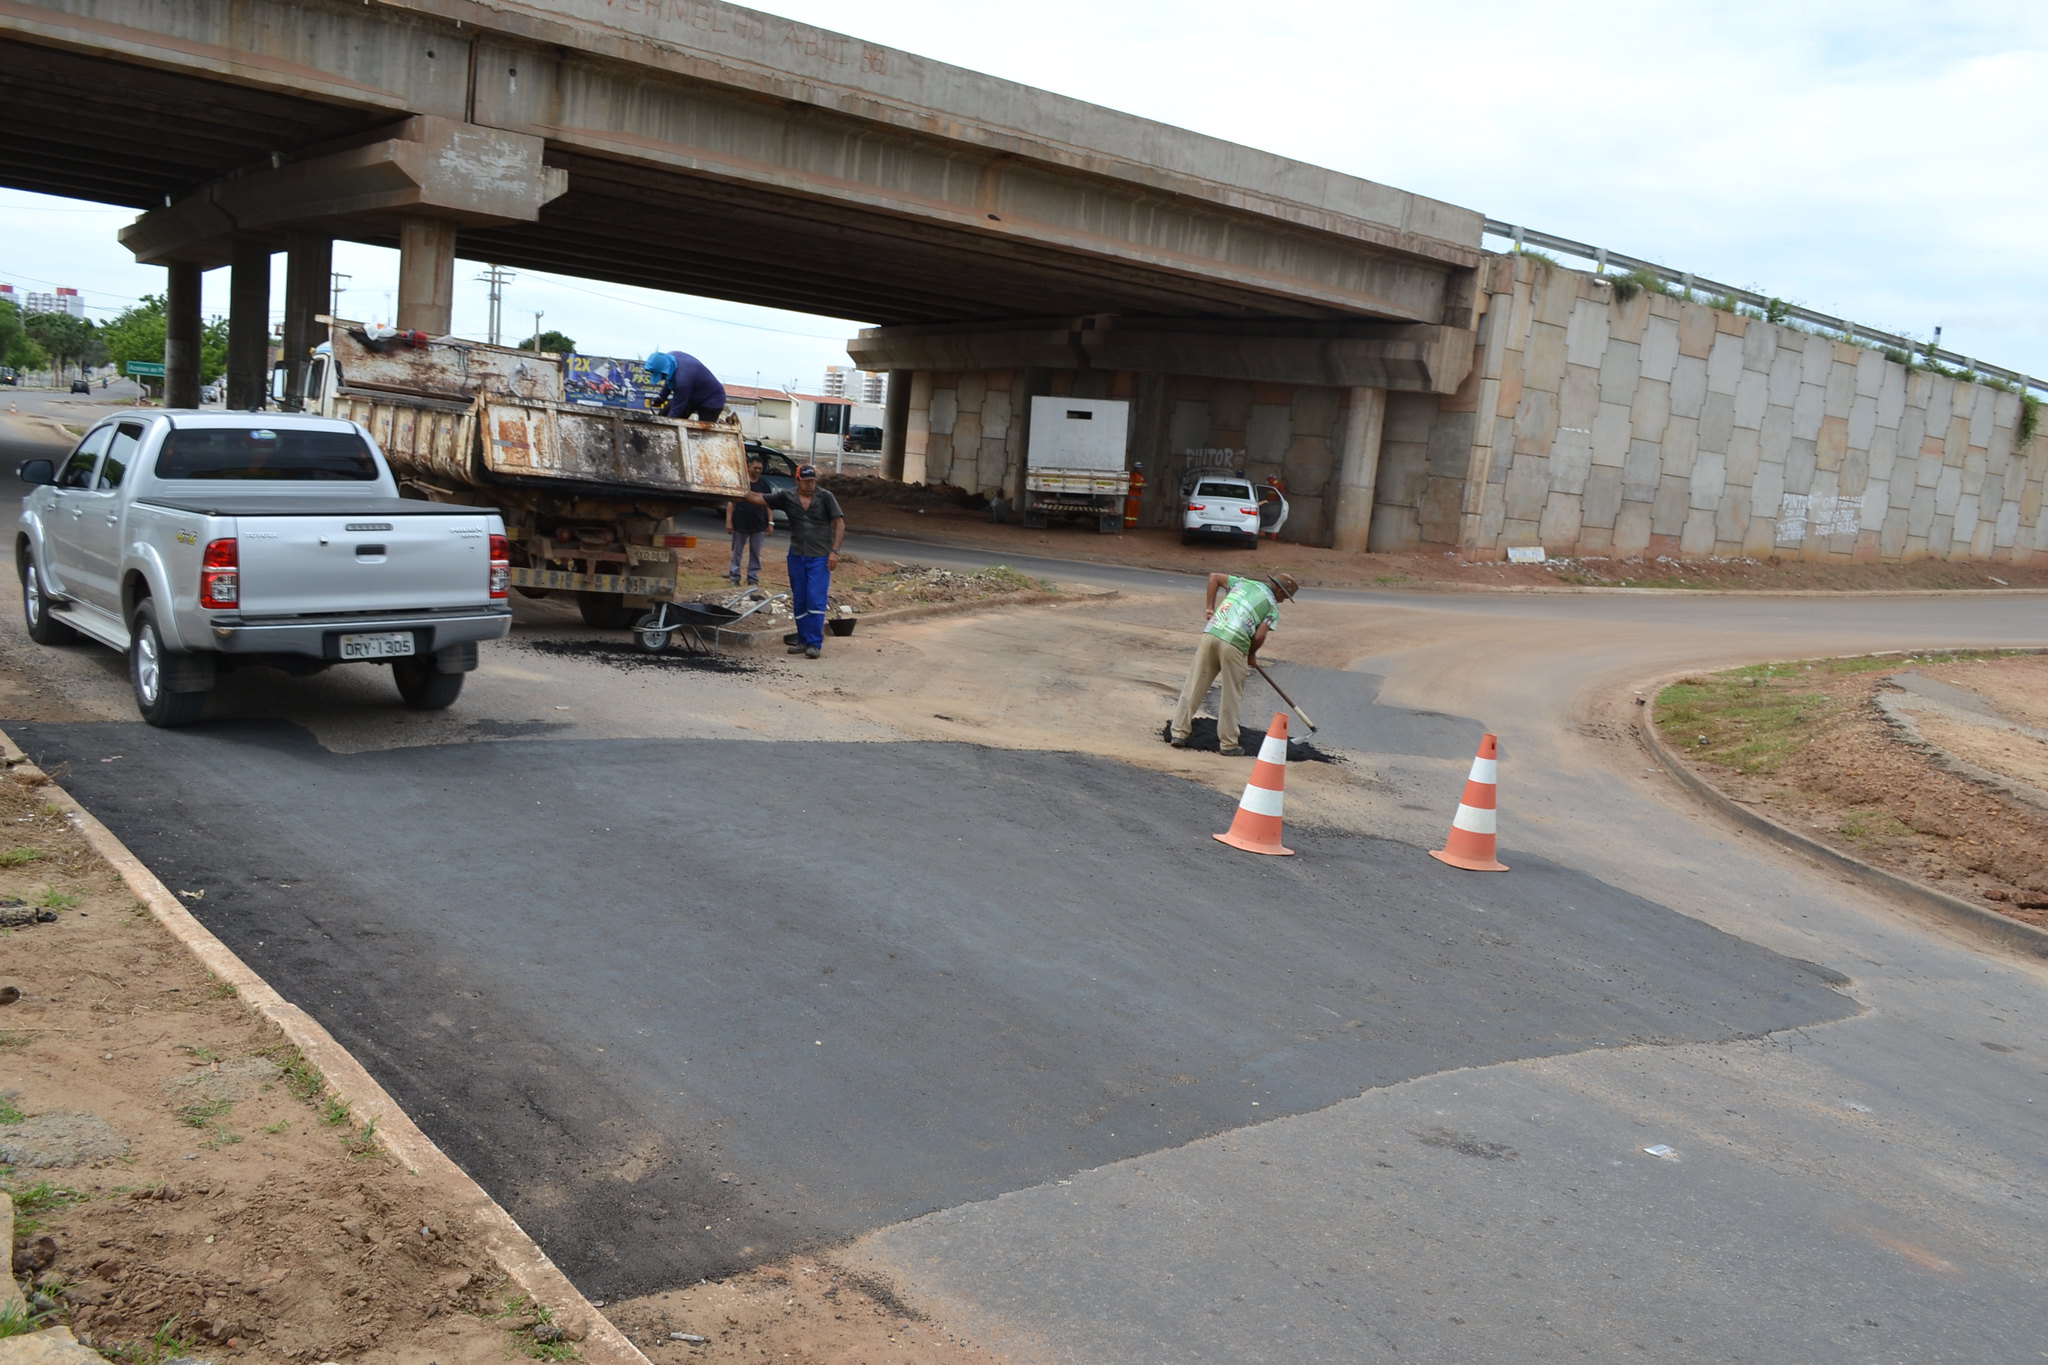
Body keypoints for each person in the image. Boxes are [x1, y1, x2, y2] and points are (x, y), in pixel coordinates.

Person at [1169, 571, 1300, 754]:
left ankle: (1178, 733)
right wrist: (1251, 653)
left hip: (1212, 633)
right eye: (1285, 597)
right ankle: (1228, 744)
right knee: (1232, 694)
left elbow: (1214, 577)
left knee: (1195, 684)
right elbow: (1260, 634)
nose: (1282, 601)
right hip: (1235, 643)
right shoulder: (1271, 608)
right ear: (1279, 591)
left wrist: (1209, 608)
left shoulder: (1243, 583)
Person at [745, 464, 844, 659]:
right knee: (800, 598)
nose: (810, 485)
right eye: (807, 481)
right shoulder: (787, 496)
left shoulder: (826, 497)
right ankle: (802, 639)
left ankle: (814, 644)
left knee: (815, 598)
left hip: (820, 557)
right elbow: (758, 498)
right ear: (797, 480)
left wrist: (835, 552)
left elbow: (839, 523)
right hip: (797, 555)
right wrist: (733, 490)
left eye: (813, 481)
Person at [643, 349, 727, 421]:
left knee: (702, 433)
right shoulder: (670, 358)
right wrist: (661, 398)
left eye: (662, 376)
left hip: (712, 400)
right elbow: (669, 380)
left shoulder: (683, 380)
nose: (661, 379)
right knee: (665, 411)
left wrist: (667, 425)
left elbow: (677, 409)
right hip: (693, 395)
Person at [726, 453, 771, 586]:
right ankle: (734, 576)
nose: (757, 471)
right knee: (737, 552)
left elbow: (769, 504)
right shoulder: (741, 483)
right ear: (748, 467)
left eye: (760, 469)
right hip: (740, 523)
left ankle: (753, 577)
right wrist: (729, 521)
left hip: (759, 525)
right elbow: (731, 503)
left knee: (756, 552)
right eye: (755, 468)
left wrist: (770, 522)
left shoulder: (764, 485)